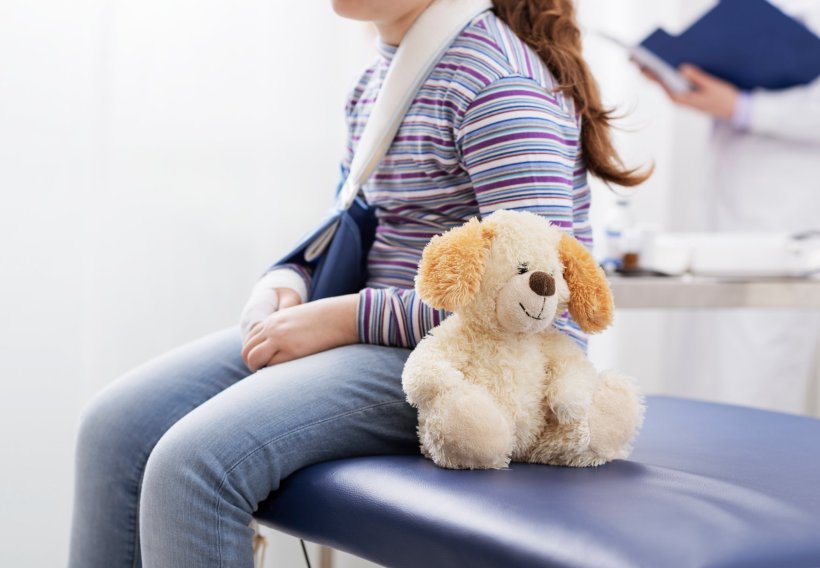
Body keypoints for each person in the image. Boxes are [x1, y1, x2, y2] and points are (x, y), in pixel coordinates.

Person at [69, 1, 648, 566]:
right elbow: (360, 223)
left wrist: (343, 318)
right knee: (114, 426)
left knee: (196, 464)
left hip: (484, 362)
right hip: (385, 337)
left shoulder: (499, 86)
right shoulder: (380, 77)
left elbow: (538, 305)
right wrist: (294, 278)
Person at [642, 0, 820, 414]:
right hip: (726, 206)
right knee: (703, 372)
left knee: (756, 372)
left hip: (782, 223)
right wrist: (683, 80)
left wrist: (741, 108)